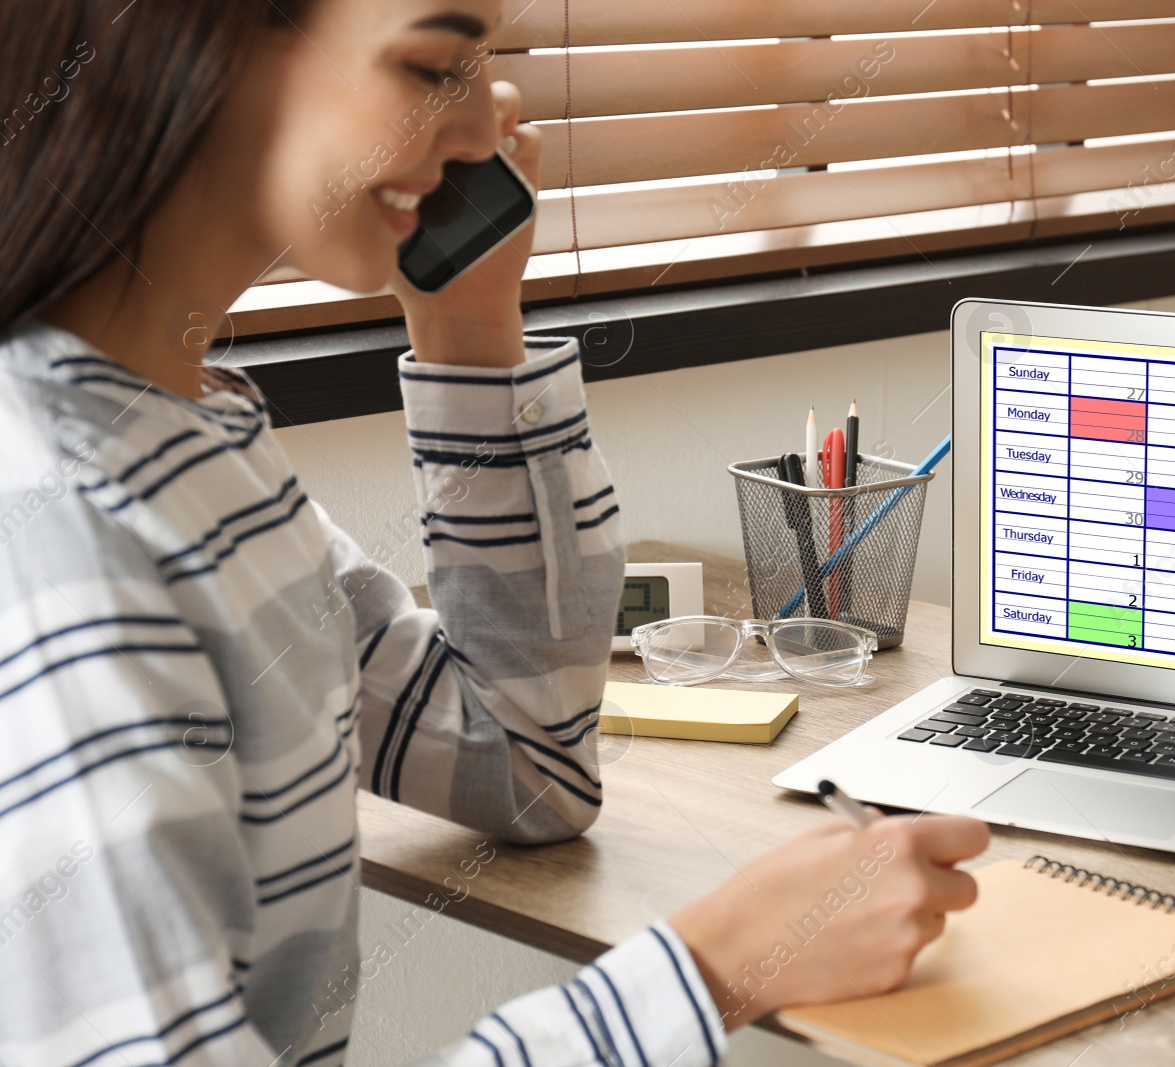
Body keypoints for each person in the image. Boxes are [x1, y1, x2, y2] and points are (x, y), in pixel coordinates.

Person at [0, 2, 990, 1065]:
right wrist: (708, 969)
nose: (484, 128)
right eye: (432, 63)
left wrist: (471, 330)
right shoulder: (60, 537)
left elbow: (522, 767)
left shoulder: (194, 442)